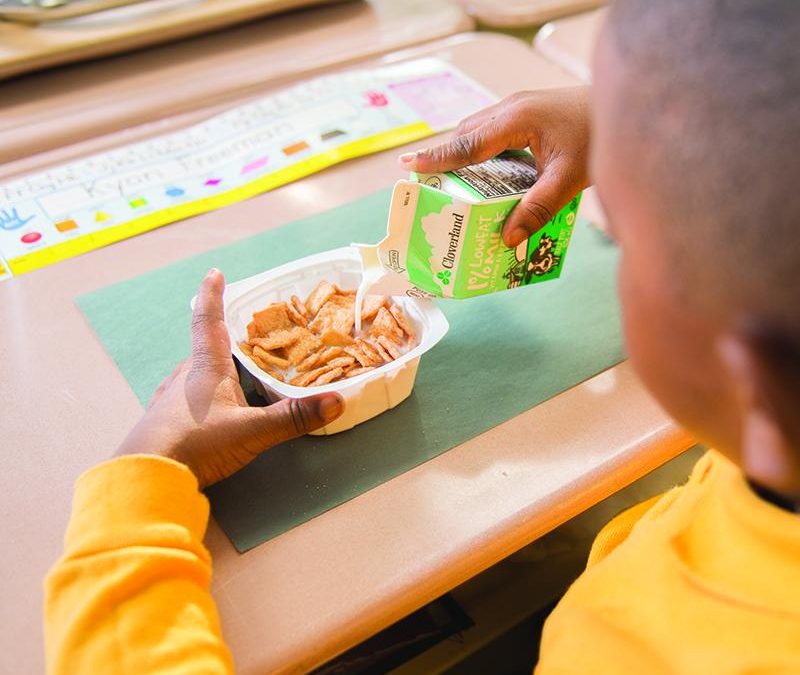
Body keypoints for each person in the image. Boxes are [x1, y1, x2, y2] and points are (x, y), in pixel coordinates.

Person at [45, 0, 800, 672]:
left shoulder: (637, 650)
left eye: (624, 234)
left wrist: (137, 491)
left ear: (740, 368)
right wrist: (640, 117)